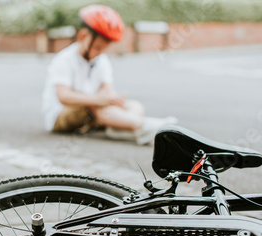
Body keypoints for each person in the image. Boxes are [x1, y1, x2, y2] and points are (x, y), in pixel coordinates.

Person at [41, 4, 177, 145]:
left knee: (136, 106)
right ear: (82, 36)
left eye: (104, 49)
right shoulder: (64, 60)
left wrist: (114, 99)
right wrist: (97, 99)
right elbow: (63, 96)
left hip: (93, 110)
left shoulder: (101, 59)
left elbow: (107, 89)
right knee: (95, 106)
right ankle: (144, 126)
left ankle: (120, 129)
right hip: (60, 116)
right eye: (97, 47)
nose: (100, 52)